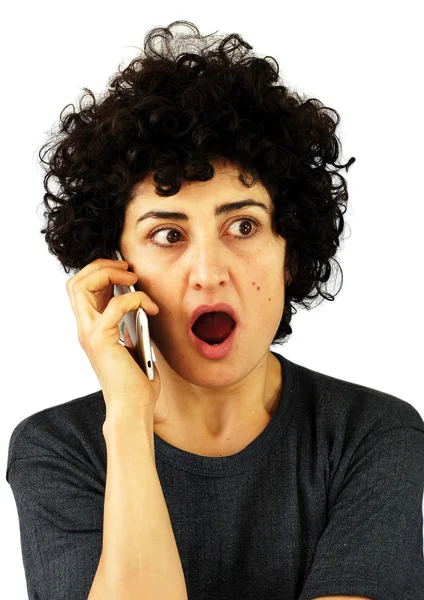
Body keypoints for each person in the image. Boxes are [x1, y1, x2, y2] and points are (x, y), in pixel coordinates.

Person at [6, 19, 424, 600]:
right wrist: (127, 420)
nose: (209, 271)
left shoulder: (370, 434)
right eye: (168, 235)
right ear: (116, 269)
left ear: (291, 256)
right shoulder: (57, 449)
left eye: (244, 226)